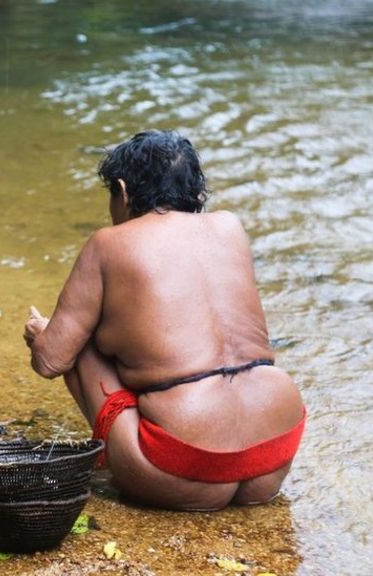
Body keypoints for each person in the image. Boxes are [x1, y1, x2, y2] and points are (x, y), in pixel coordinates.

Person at [23, 131, 305, 511]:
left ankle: (132, 459)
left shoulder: (108, 243)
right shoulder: (230, 227)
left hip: (182, 468)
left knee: (80, 341)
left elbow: (51, 361)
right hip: (273, 450)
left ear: (122, 192)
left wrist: (43, 335)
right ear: (196, 193)